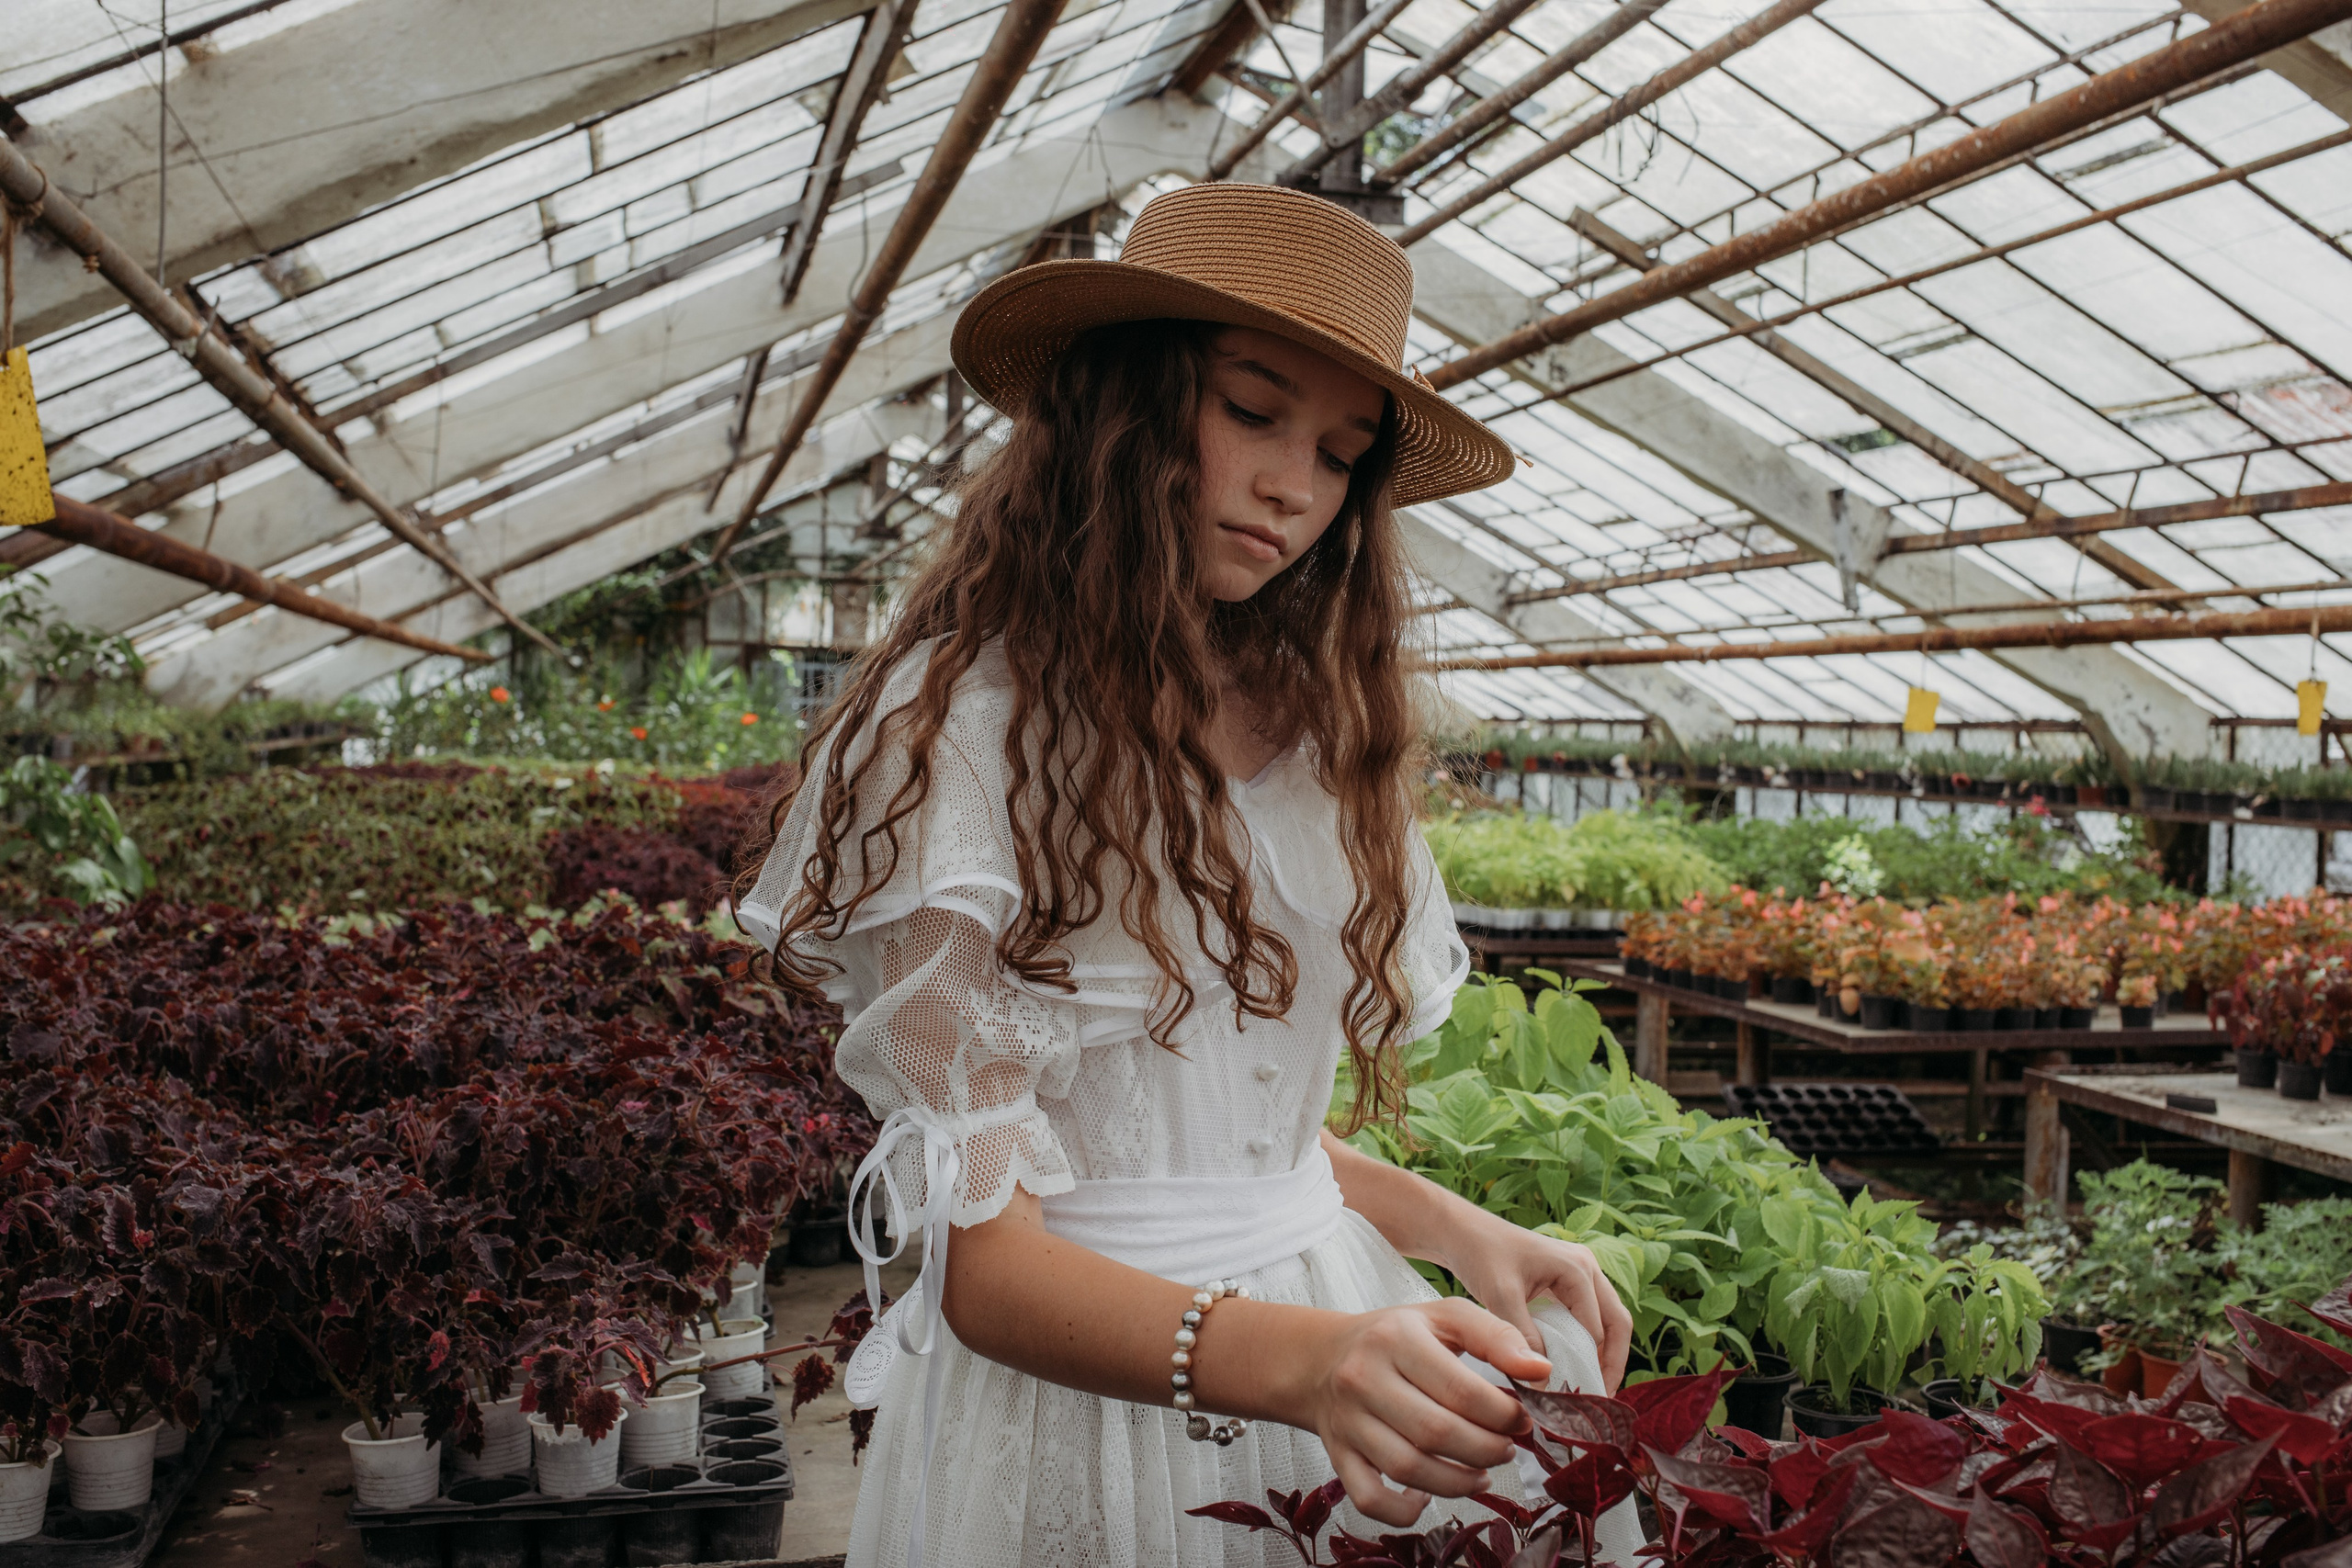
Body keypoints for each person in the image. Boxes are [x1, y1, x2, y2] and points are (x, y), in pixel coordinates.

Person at [737, 182, 1636, 1568]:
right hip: (1106, 1398)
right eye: (1254, 411)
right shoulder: (964, 739)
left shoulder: (1315, 728)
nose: (1296, 485)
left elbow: (1197, 1126)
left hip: (1330, 1318)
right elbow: (990, 1261)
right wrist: (1308, 1365)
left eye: (1341, 454)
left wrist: (1463, 1231)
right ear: (1128, 411)